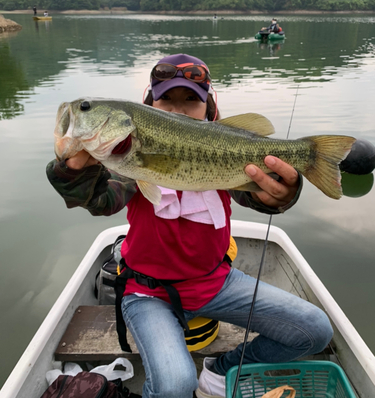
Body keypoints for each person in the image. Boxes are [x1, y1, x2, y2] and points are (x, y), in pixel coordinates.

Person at [46, 53, 333, 398]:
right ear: (148, 106)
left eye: (191, 101)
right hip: (147, 293)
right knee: (175, 386)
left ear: (210, 112)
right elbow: (100, 200)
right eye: (166, 99)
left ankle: (222, 370)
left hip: (217, 284)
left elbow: (257, 194)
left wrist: (284, 193)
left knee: (316, 329)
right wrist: (72, 173)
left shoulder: (227, 154)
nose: (177, 110)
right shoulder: (128, 164)